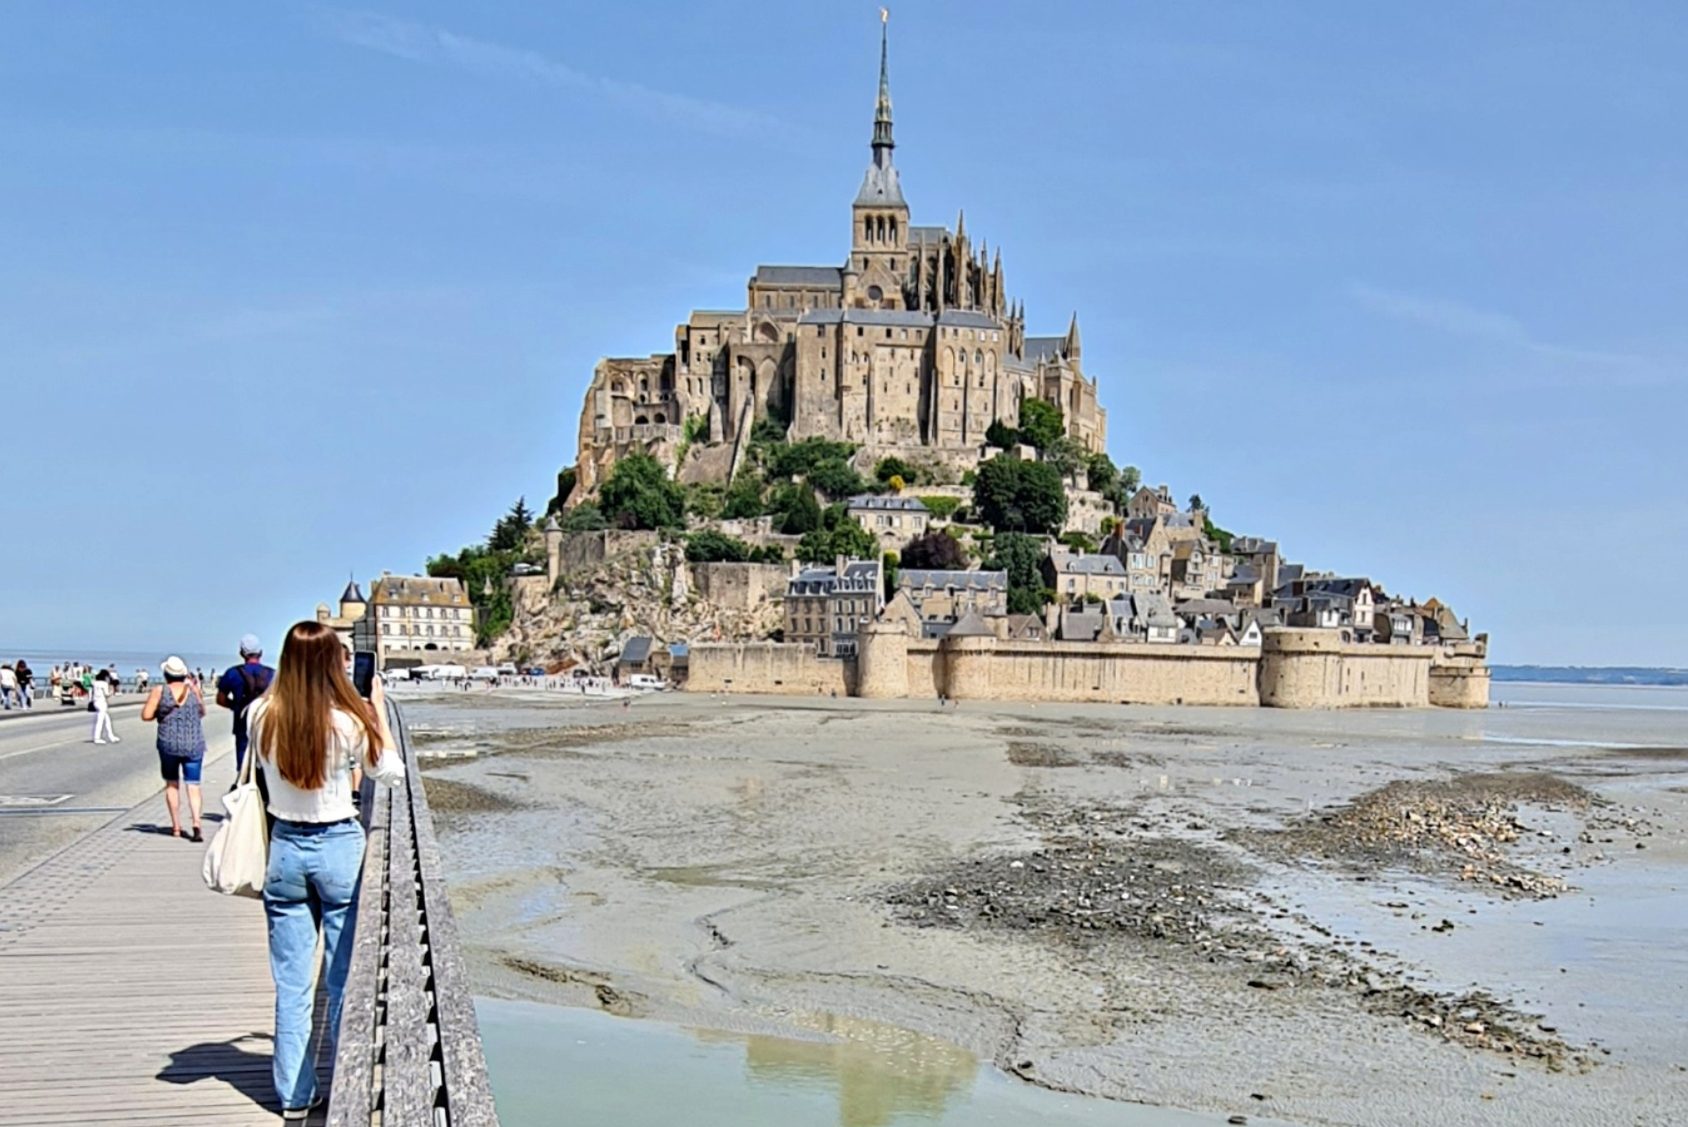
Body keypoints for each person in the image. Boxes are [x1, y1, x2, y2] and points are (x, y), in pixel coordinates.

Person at [248, 621, 402, 1119]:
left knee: (291, 985)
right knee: (342, 978)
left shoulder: (260, 715)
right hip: (337, 847)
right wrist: (374, 705)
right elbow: (389, 773)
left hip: (285, 848)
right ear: (332, 663)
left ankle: (294, 1096)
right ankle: (347, 1087)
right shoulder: (347, 721)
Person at [142, 656, 204, 838]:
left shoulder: (160, 691)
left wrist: (161, 713)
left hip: (168, 743)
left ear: (166, 674)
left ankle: (176, 827)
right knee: (193, 785)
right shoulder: (193, 690)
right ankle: (196, 823)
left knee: (172, 783)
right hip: (194, 743)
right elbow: (202, 712)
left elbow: (146, 715)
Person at [217, 634, 275, 773]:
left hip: (242, 724)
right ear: (261, 653)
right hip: (266, 725)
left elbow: (220, 699)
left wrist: (235, 706)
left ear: (241, 653)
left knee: (243, 767)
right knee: (267, 766)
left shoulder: (232, 673)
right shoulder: (272, 674)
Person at [89, 670, 119, 744]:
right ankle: (97, 738)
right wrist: (112, 691)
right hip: (102, 703)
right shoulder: (104, 683)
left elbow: (92, 691)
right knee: (100, 721)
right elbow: (106, 694)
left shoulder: (95, 683)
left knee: (107, 720)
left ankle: (111, 736)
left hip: (95, 702)